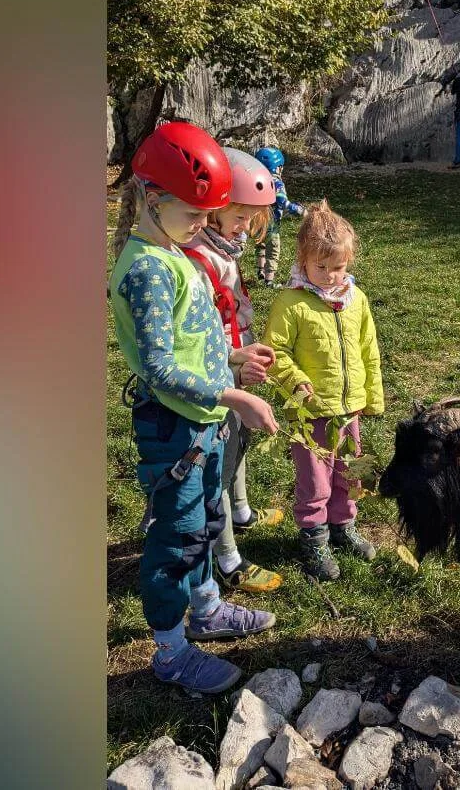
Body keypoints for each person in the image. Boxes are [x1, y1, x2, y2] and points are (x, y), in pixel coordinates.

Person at [108, 121, 279, 695]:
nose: (205, 224)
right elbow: (159, 367)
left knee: (205, 519)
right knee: (173, 538)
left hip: (199, 421)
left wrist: (231, 356)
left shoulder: (172, 250)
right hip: (174, 426)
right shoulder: (149, 270)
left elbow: (190, 341)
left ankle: (206, 608)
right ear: (153, 202)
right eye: (195, 214)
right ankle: (170, 650)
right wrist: (234, 394)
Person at [178, 147, 286, 595]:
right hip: (215, 373)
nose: (247, 229)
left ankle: (240, 510)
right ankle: (228, 558)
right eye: (241, 217)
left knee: (239, 440)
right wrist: (233, 360)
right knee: (217, 462)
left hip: (234, 361)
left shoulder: (225, 249)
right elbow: (200, 332)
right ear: (216, 210)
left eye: (253, 220)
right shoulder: (198, 260)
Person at [261, 201, 384, 582]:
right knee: (314, 478)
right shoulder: (291, 303)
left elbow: (369, 347)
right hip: (311, 412)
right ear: (303, 259)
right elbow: (274, 351)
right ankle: (313, 538)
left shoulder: (355, 300)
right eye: (322, 267)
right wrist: (295, 380)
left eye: (339, 267)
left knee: (350, 472)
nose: (331, 276)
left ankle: (342, 527)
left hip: (349, 410)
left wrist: (372, 396)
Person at [252, 146, 305, 290]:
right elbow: (281, 200)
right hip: (271, 223)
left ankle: (260, 270)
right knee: (273, 249)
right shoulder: (277, 183)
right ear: (278, 167)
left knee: (260, 244)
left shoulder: (256, 180)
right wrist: (298, 209)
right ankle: (269, 281)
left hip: (256, 220)